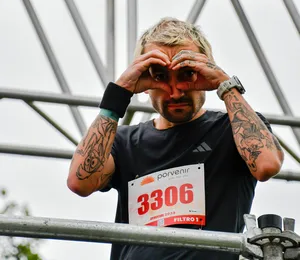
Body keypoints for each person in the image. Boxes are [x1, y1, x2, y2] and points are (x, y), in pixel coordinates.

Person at [67, 17, 284, 260]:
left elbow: (267, 164)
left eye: (187, 74)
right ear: (145, 84)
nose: (175, 91)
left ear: (205, 73)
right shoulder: (125, 141)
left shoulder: (232, 129)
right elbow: (80, 182)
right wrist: (119, 92)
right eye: (160, 76)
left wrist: (225, 85)